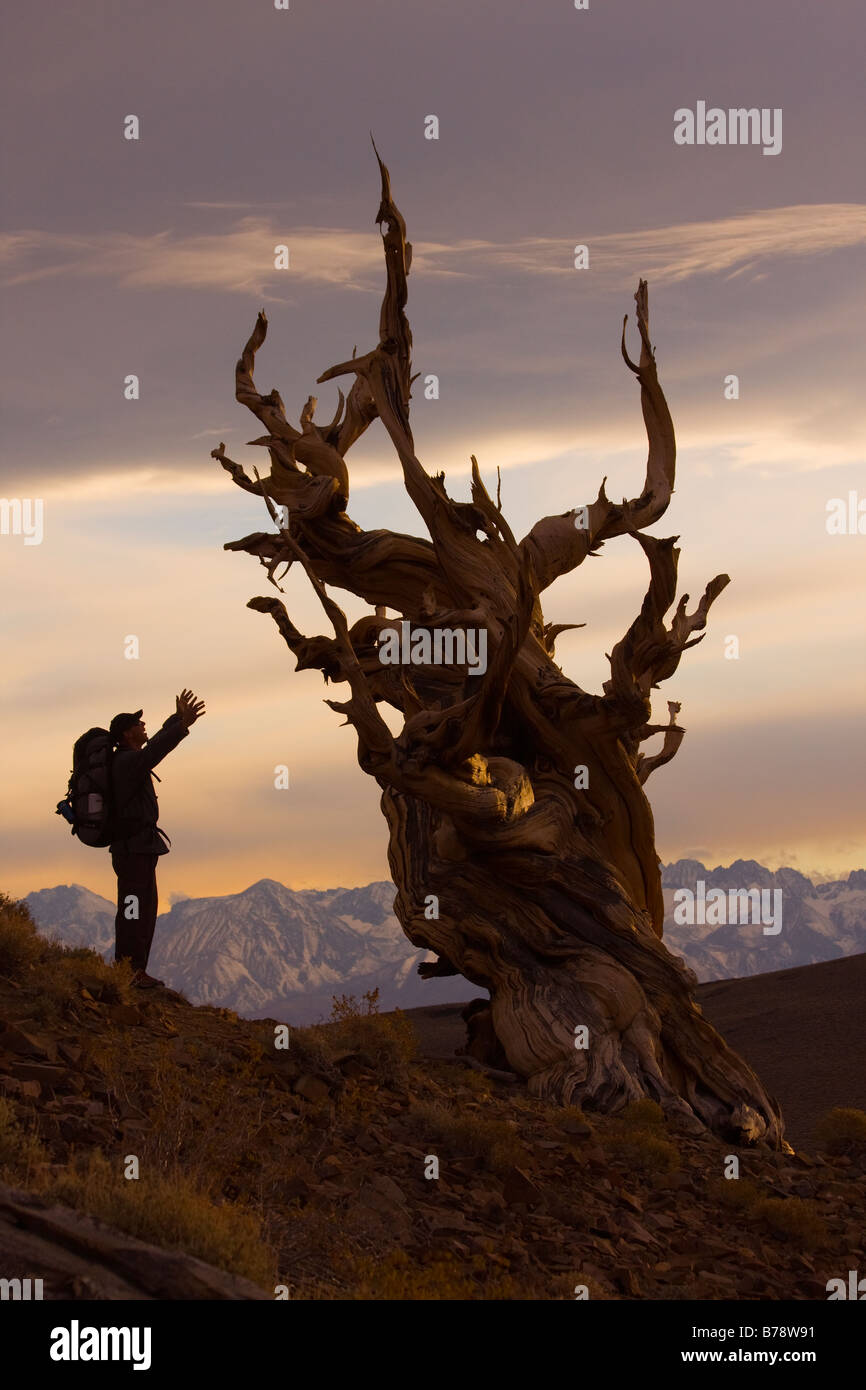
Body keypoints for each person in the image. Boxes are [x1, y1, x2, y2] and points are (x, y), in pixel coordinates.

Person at [108, 689, 205, 988]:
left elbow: (153, 745)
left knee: (143, 908)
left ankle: (134, 969)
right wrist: (181, 726)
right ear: (126, 734)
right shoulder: (126, 762)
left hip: (139, 847)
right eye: (138, 724)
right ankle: (129, 971)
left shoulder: (130, 760)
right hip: (133, 849)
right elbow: (155, 750)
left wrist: (177, 719)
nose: (143, 726)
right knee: (134, 909)